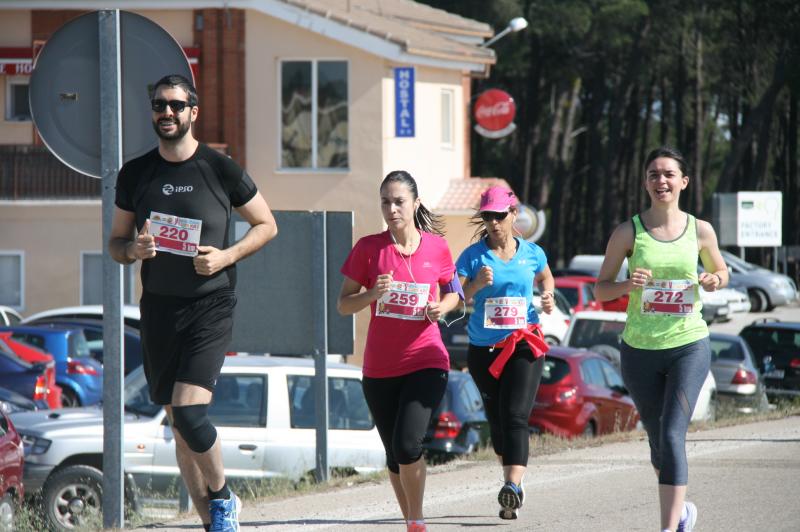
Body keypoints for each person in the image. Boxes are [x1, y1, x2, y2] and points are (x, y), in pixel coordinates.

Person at [109, 74, 277, 532]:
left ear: (193, 112)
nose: (167, 112)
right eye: (159, 105)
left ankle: (223, 496)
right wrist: (134, 250)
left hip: (211, 304)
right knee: (177, 424)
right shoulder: (136, 174)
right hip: (159, 310)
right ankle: (214, 523)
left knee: (188, 412)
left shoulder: (219, 168)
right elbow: (116, 243)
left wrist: (226, 256)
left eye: (176, 105)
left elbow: (266, 224)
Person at [595, 146, 728, 532]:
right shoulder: (628, 232)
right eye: (653, 174)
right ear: (645, 183)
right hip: (639, 350)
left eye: (669, 174)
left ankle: (668, 528)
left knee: (672, 434)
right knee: (657, 441)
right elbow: (600, 290)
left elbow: (722, 272)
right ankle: (682, 511)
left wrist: (713, 279)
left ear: (683, 181)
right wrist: (626, 284)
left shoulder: (700, 230)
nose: (661, 181)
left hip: (688, 343)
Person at [337, 170, 463, 532]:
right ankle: (411, 520)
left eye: (398, 202)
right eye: (385, 202)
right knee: (394, 454)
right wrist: (372, 294)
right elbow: (343, 305)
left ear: (415, 203)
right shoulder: (368, 249)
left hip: (427, 359)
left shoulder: (437, 247)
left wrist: (442, 307)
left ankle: (416, 519)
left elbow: (454, 292)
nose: (391, 209)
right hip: (380, 368)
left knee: (408, 445)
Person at [455, 186, 554, 520]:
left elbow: (546, 278)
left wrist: (548, 295)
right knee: (497, 422)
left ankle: (512, 485)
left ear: (514, 214)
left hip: (524, 342)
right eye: (488, 216)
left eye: (500, 215)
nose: (494, 222)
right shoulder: (472, 256)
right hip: (484, 349)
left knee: (515, 416)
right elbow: (455, 297)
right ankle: (513, 484)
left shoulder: (532, 253)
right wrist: (475, 285)